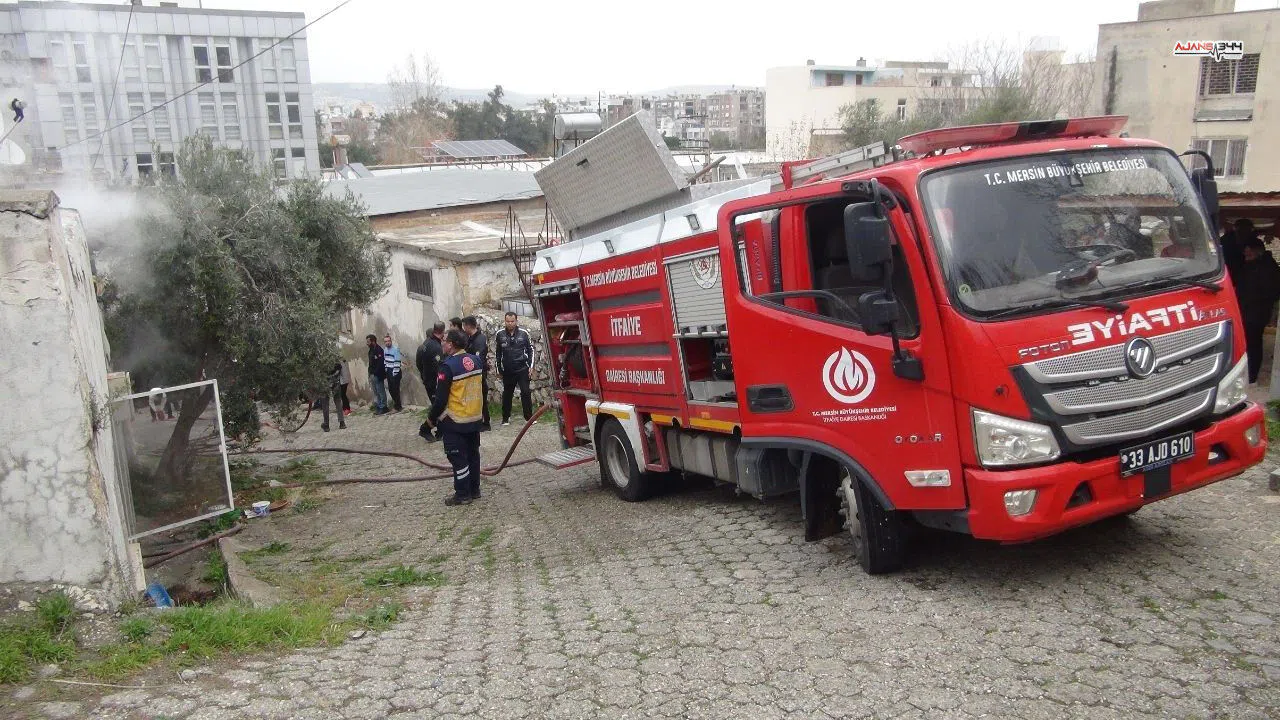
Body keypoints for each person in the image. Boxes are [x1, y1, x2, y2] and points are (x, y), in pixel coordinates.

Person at [424, 329, 485, 506]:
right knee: (473, 456)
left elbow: (441, 399)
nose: (442, 343)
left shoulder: (447, 366)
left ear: (451, 344)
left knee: (458, 459)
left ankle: (462, 494)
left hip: (455, 420)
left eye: (444, 340)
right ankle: (475, 490)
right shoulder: (476, 360)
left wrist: (430, 420)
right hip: (474, 418)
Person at [1233, 237, 1280, 383]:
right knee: (1248, 342)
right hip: (1248, 310)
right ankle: (1248, 373)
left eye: (1249, 254)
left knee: (1253, 344)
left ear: (1257, 252)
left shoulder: (1266, 268)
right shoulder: (1252, 265)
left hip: (1256, 312)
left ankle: (1251, 375)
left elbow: (1271, 291)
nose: (1246, 257)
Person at [496, 311, 534, 426]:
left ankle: (528, 418)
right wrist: (499, 369)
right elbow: (498, 353)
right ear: (505, 321)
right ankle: (506, 418)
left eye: (512, 321)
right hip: (507, 370)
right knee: (507, 394)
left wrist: (531, 366)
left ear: (516, 321)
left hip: (522, 368)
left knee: (526, 392)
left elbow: (531, 350)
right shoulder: (499, 334)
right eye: (508, 321)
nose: (510, 323)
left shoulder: (524, 333)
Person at [463, 316, 492, 431]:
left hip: (478, 374)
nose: (463, 328)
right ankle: (478, 420)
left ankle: (486, 422)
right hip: (472, 374)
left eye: (464, 326)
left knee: (481, 398)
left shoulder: (480, 339)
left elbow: (478, 357)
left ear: (469, 326)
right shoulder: (470, 338)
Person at [416, 322, 446, 404]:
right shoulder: (435, 346)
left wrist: (423, 375)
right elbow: (440, 368)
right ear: (443, 331)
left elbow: (418, 364)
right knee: (438, 406)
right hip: (434, 383)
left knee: (435, 405)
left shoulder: (426, 343)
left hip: (428, 380)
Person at [319, 363, 347, 432]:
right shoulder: (334, 358)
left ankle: (326, 425)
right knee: (338, 402)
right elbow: (339, 368)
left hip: (325, 383)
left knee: (325, 404)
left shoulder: (321, 358)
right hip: (336, 383)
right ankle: (342, 422)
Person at [365, 334, 389, 415]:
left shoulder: (379, 350)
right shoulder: (371, 350)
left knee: (380, 391)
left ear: (373, 341)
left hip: (378, 375)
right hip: (372, 374)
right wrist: (370, 373)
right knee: (375, 392)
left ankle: (384, 407)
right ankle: (378, 406)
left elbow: (380, 363)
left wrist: (375, 373)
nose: (367, 343)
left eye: (368, 342)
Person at [382, 334, 404, 413]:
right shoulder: (385, 350)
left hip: (395, 371)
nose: (387, 343)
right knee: (391, 389)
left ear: (391, 341)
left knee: (395, 389)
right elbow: (385, 360)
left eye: (388, 341)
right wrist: (386, 368)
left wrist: (394, 373)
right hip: (389, 370)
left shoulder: (395, 349)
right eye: (385, 341)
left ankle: (398, 406)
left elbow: (397, 361)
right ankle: (397, 405)